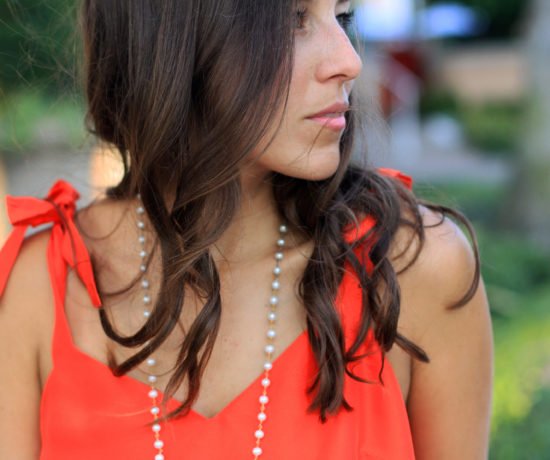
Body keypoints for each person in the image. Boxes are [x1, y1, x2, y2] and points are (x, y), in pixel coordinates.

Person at [0, 0, 493, 459]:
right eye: (293, 20)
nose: (349, 61)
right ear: (175, 35)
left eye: (342, 17)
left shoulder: (413, 270)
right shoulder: (41, 287)